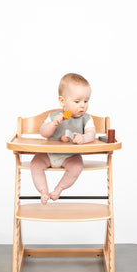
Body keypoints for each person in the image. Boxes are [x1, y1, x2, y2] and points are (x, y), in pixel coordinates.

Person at [30, 73, 96, 204]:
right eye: (77, 101)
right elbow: (44, 133)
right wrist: (53, 124)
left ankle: (59, 188)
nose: (82, 105)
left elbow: (92, 133)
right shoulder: (54, 116)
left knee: (77, 166)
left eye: (86, 101)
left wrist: (84, 137)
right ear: (62, 101)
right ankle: (43, 191)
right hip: (48, 154)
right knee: (35, 164)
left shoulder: (86, 119)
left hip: (71, 156)